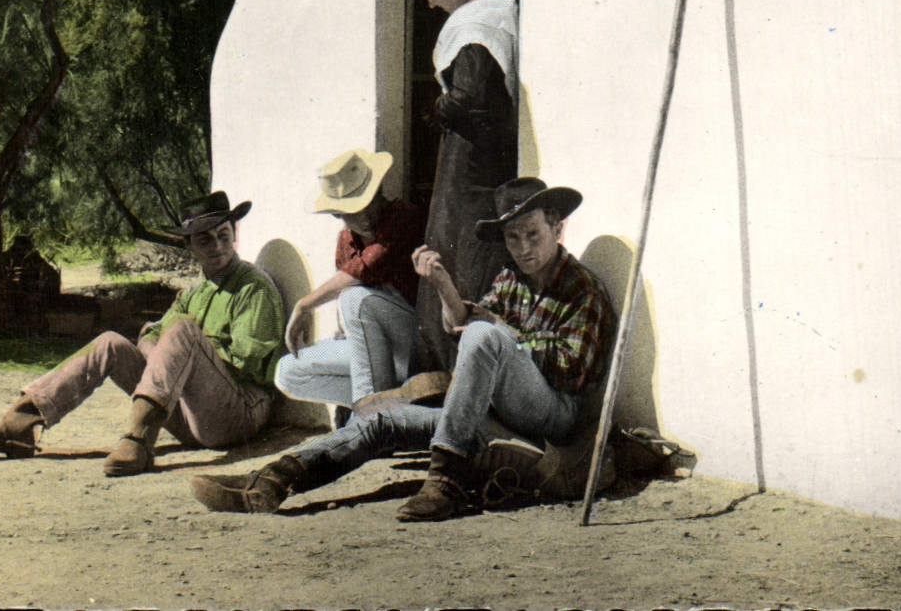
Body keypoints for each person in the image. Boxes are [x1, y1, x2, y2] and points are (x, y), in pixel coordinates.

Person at [189, 176, 615, 521]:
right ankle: (273, 478)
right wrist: (444, 285)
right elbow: (462, 325)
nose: (523, 247)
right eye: (513, 237)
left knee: (487, 338)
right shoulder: (510, 279)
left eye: (533, 234)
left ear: (558, 229)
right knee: (382, 422)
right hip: (489, 415)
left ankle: (445, 482)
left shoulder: (582, 289)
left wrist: (503, 336)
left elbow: (568, 370)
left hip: (552, 415)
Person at [0, 192, 285, 477]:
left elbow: (245, 367)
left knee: (182, 331)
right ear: (189, 246)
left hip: (238, 414)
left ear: (234, 234)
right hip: (189, 413)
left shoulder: (253, 288)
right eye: (204, 240)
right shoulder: (195, 294)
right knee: (110, 342)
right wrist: (165, 353)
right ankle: (19, 425)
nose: (217, 246)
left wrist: (180, 353)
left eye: (223, 235)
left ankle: (139, 439)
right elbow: (151, 334)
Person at [393, 0, 519, 370]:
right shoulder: (500, 12)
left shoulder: (476, 25)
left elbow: (469, 98)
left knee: (460, 256)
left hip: (472, 168)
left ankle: (453, 370)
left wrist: (438, 108)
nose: (430, 4)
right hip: (483, 161)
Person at [273, 148, 424, 410]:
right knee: (288, 371)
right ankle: (391, 408)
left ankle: (370, 416)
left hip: (411, 346)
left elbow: (364, 269)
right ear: (337, 213)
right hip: (375, 356)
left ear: (378, 194)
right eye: (352, 211)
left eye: (368, 204)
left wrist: (304, 305)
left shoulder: (403, 217)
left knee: (356, 297)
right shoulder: (345, 241)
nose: (364, 216)